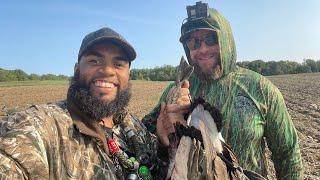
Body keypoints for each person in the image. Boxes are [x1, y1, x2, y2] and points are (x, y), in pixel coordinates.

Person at [142, 1, 303, 179]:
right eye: (194, 43)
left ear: (225, 40)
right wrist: (163, 129)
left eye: (211, 39)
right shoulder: (176, 90)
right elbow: (145, 133)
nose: (202, 49)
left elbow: (288, 154)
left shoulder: (261, 89)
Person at [0, 27, 158, 179]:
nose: (108, 71)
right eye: (95, 61)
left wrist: (165, 144)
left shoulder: (133, 125)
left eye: (118, 64)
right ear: (77, 69)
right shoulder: (42, 126)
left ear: (128, 75)